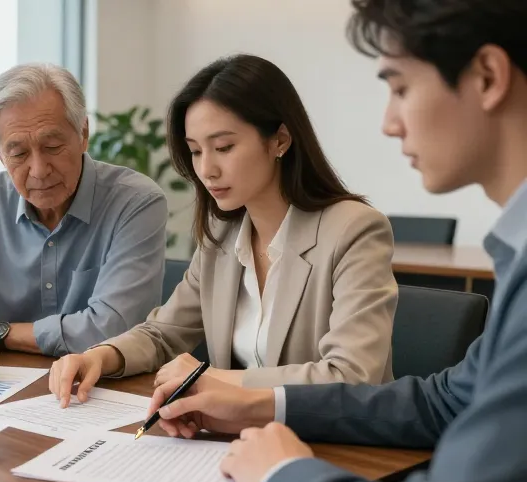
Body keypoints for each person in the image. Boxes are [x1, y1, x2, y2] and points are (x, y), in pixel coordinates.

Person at [147, 0, 527, 482]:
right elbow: (443, 401)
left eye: (400, 88)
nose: (389, 123)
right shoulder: (517, 258)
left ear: (486, 76)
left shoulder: (353, 228)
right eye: (195, 150)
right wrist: (255, 405)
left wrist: (284, 473)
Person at [48, 54, 398, 407]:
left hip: (341, 443)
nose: (207, 170)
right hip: (243, 437)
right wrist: (101, 356)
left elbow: (351, 375)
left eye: (224, 147)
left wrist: (212, 378)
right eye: (196, 151)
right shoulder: (222, 236)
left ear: (280, 140)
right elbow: (163, 334)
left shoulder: (355, 230)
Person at [0, 63, 168, 379]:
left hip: (108, 391)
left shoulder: (136, 201)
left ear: (83, 134)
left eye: (52, 147)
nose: (39, 170)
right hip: (6, 386)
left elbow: (114, 328)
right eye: (18, 153)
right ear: (0, 155)